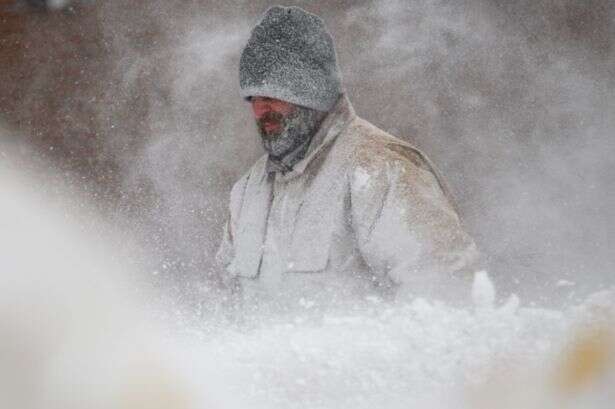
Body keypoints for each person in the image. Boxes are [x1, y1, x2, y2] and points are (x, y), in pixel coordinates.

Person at [217, 6, 479, 309]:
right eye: (255, 98)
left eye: (274, 95)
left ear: (311, 91)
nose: (263, 111)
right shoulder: (248, 190)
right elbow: (228, 309)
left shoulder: (378, 169)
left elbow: (444, 294)